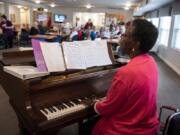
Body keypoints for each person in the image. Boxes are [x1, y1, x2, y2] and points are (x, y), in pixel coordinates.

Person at [83, 19, 159, 135]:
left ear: (136, 43)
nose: (121, 36)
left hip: (127, 129)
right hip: (147, 125)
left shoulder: (127, 72)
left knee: (90, 125)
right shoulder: (151, 61)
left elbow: (107, 108)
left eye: (125, 34)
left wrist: (94, 104)